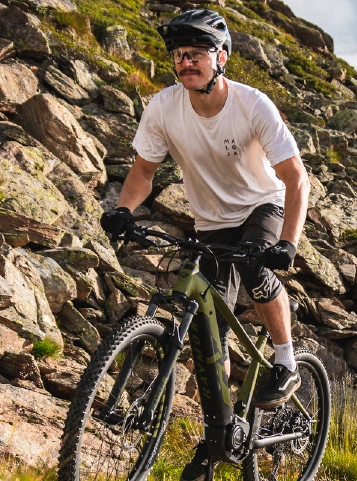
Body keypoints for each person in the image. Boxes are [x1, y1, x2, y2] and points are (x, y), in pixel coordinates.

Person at [97, 9, 309, 479]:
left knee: (257, 268)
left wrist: (288, 244)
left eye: (195, 53)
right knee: (207, 331)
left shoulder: (254, 105)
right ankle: (222, 434)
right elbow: (143, 172)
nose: (185, 62)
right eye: (178, 55)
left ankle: (286, 359)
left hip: (261, 207)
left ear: (222, 58)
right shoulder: (163, 107)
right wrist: (124, 211)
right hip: (209, 221)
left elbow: (296, 179)